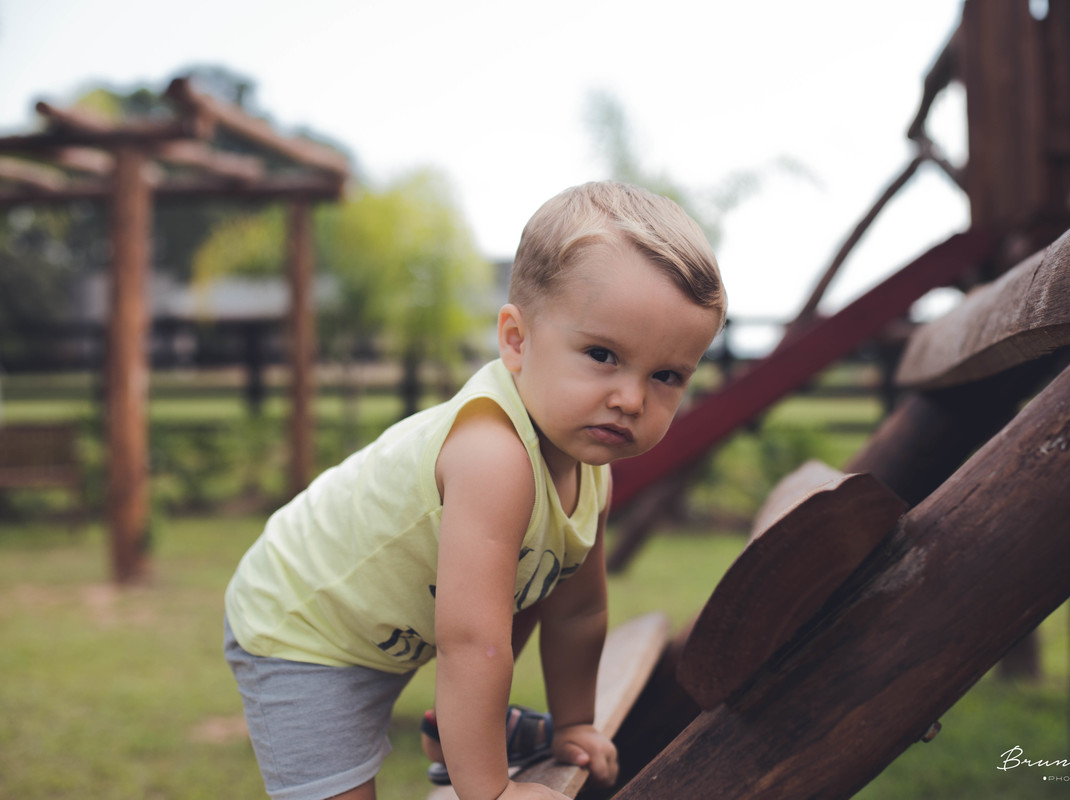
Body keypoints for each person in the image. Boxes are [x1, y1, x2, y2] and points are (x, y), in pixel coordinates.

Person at [223, 181, 727, 800]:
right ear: (516, 341)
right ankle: (468, 749)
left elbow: (579, 612)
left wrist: (574, 724)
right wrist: (491, 793)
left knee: (538, 577)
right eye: (602, 354)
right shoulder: (494, 457)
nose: (631, 398)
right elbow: (470, 642)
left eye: (666, 375)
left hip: (394, 624)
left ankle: (453, 729)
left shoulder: (588, 461)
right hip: (303, 620)